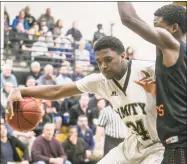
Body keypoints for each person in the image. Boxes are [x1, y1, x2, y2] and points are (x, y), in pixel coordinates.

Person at [7, 36, 164, 164]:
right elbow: (58, 90)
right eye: (99, 62)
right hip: (132, 144)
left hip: (160, 146)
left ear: (123, 56)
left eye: (108, 59)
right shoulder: (100, 81)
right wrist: (20, 90)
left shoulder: (149, 70)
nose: (103, 66)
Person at [118, 2, 186, 164]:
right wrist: (158, 90)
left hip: (180, 145)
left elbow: (128, 18)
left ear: (174, 28)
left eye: (156, 25)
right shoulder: (178, 56)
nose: (152, 29)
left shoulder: (171, 45)